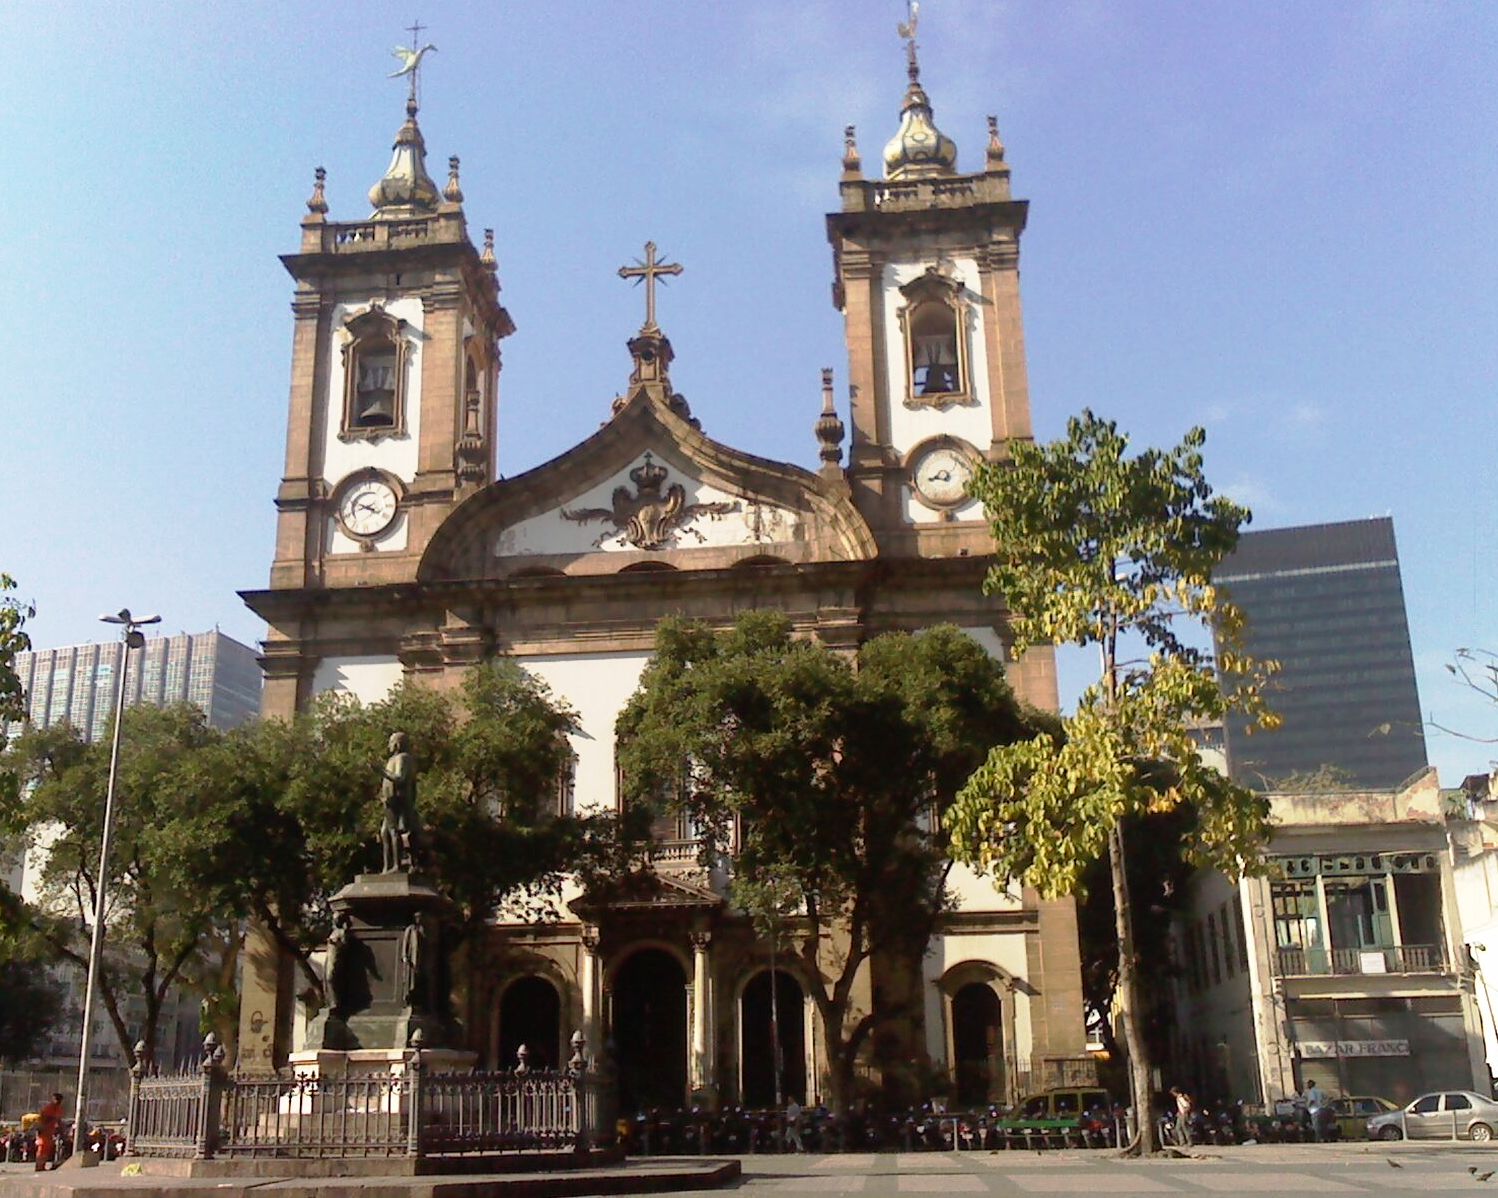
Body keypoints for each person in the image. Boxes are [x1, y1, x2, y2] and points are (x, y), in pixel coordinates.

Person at [34, 1093, 63, 1172]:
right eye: (55, 1099)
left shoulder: (58, 1109)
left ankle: (42, 1166)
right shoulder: (48, 1108)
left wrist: (60, 1130)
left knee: (46, 1150)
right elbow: (42, 1119)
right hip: (44, 1131)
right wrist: (40, 1128)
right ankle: (39, 1166)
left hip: (50, 1132)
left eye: (58, 1100)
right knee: (42, 1148)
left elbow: (58, 1120)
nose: (57, 1101)